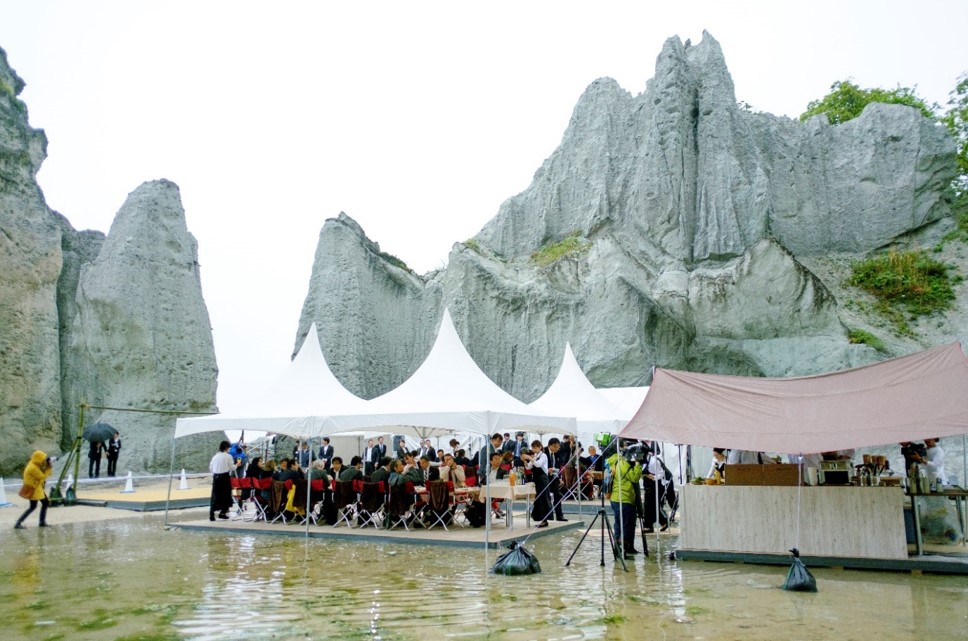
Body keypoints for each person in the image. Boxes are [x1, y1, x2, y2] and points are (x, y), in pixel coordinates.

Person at [605, 446, 642, 558]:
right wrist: (638, 465)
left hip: (616, 498)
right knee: (626, 526)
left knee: (619, 524)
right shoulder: (624, 463)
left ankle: (620, 549)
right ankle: (622, 550)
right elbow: (635, 477)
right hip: (624, 498)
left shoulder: (615, 461)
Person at [14, 451, 53, 529]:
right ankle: (18, 523)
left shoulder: (33, 464)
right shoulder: (33, 468)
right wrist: (49, 468)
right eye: (43, 459)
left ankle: (42, 522)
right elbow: (42, 476)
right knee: (33, 506)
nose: (44, 460)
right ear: (39, 459)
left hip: (36, 488)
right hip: (34, 489)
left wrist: (46, 465)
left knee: (45, 503)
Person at [522, 440, 552, 527]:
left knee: (543, 499)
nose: (534, 449)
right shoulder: (535, 456)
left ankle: (545, 520)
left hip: (543, 479)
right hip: (537, 479)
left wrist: (529, 457)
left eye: (535, 447)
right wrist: (525, 460)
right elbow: (528, 467)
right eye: (533, 448)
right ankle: (540, 518)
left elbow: (538, 465)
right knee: (538, 499)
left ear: (540, 447)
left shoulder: (544, 456)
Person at [209, 440, 235, 521]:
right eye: (229, 448)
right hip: (224, 477)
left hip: (216, 477)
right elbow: (232, 468)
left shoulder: (215, 457)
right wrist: (237, 465)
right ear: (226, 448)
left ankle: (212, 515)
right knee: (226, 495)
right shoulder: (228, 456)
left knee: (215, 496)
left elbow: (211, 468)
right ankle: (223, 512)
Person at [545, 438, 567, 522]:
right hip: (545, 477)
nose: (557, 449)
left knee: (557, 495)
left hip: (554, 477)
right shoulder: (544, 452)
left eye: (558, 447)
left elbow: (557, 467)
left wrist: (559, 478)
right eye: (556, 447)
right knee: (547, 497)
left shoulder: (557, 453)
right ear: (551, 445)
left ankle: (559, 515)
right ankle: (548, 516)